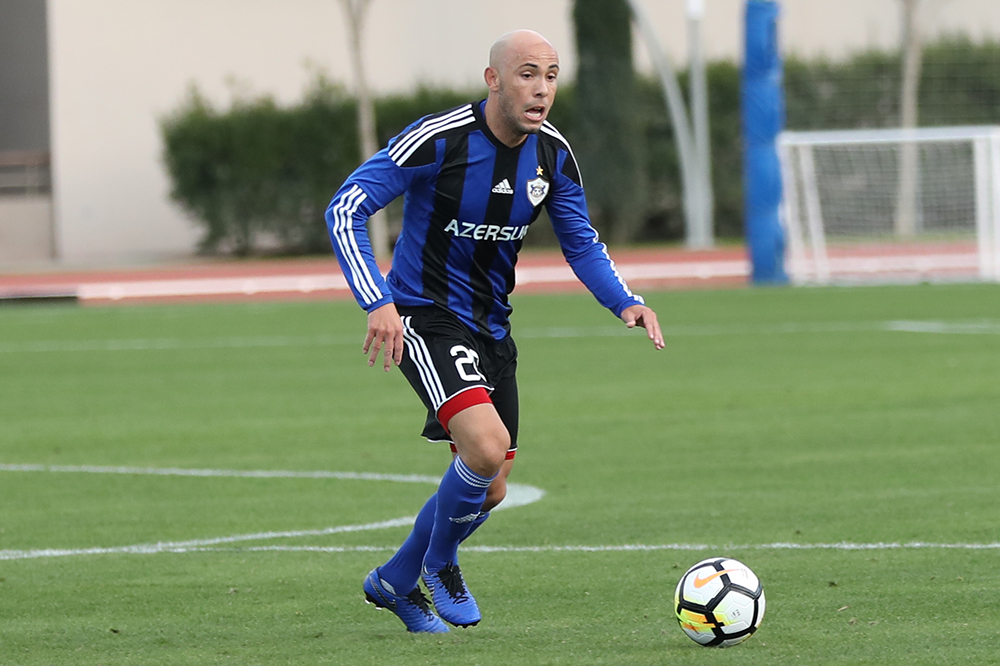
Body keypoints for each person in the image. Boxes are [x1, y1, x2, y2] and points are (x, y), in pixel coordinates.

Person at [325, 29, 664, 634]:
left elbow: (580, 241)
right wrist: (377, 300)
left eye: (551, 76)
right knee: (484, 448)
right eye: (527, 74)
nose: (542, 89)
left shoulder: (553, 154)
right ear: (493, 80)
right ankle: (440, 565)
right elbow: (346, 207)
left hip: (492, 328)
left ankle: (394, 582)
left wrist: (625, 301)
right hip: (425, 316)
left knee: (491, 488)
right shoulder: (441, 139)